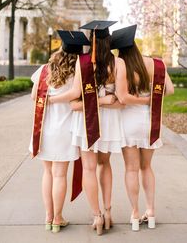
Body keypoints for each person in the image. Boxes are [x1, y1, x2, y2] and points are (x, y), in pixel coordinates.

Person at [49, 20, 151, 235]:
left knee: (88, 168)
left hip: (86, 119)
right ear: (108, 40)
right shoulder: (119, 64)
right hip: (109, 121)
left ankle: (96, 215)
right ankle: (107, 211)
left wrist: (52, 98)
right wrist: (106, 101)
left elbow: (75, 97)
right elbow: (121, 100)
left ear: (91, 42)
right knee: (105, 165)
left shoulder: (82, 62)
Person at [112, 25, 174, 231]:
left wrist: (141, 100)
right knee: (147, 167)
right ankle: (151, 212)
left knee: (131, 169)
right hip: (149, 123)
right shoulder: (156, 63)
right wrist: (150, 100)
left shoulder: (120, 65)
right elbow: (170, 90)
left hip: (128, 122)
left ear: (119, 49)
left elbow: (123, 97)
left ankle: (135, 214)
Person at [29, 30, 90, 233]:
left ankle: (48, 216)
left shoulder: (45, 69)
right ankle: (57, 218)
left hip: (44, 128)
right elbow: (75, 93)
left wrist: (49, 99)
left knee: (47, 172)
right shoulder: (78, 71)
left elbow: (33, 96)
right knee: (60, 175)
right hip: (65, 129)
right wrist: (58, 99)